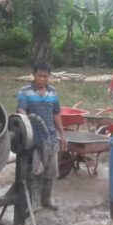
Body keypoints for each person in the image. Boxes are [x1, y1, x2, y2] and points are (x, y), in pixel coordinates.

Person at [17, 60, 67, 210]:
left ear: (49, 76)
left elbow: (56, 114)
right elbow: (21, 111)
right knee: (35, 172)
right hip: (33, 139)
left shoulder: (53, 92)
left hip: (50, 138)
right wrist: (26, 128)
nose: (43, 79)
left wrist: (62, 134)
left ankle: (46, 200)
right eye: (40, 76)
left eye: (46, 76)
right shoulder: (24, 91)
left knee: (50, 172)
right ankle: (33, 202)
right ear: (33, 75)